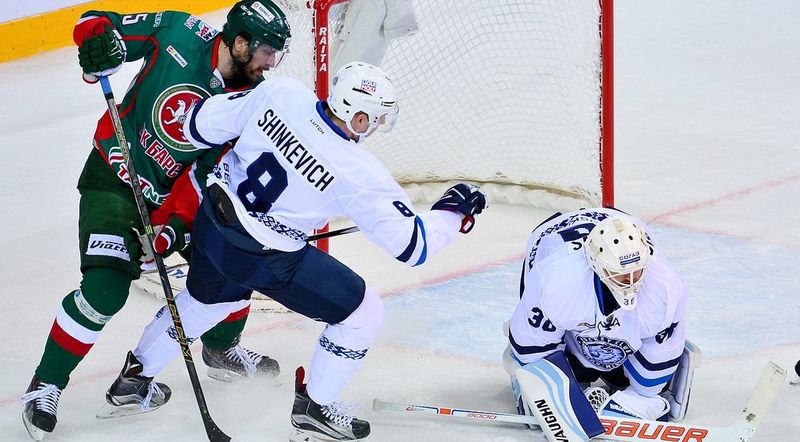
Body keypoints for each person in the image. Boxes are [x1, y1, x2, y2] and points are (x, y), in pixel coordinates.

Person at [103, 61, 487, 441]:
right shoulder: (358, 171)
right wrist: (453, 214)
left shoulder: (281, 92)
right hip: (264, 258)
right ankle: (316, 409)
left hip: (213, 223)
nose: (377, 125)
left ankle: (133, 382)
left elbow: (196, 125)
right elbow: (413, 246)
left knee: (207, 302)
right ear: (358, 118)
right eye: (376, 118)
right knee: (362, 313)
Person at [21, 2, 291, 440]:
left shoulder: (249, 100)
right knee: (104, 291)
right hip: (114, 181)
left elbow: (210, 174)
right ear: (240, 42)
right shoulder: (178, 32)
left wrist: (172, 229)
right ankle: (45, 384)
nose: (270, 63)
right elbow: (97, 23)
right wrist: (96, 45)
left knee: (238, 256)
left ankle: (221, 349)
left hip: (176, 201)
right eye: (265, 52)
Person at [502, 208, 698, 441]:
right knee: (543, 371)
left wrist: (641, 396)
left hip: (620, 223)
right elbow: (530, 345)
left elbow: (660, 353)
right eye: (621, 274)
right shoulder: (555, 283)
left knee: (643, 384)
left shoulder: (665, 286)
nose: (631, 280)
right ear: (597, 266)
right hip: (550, 236)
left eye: (637, 271)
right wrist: (552, 390)